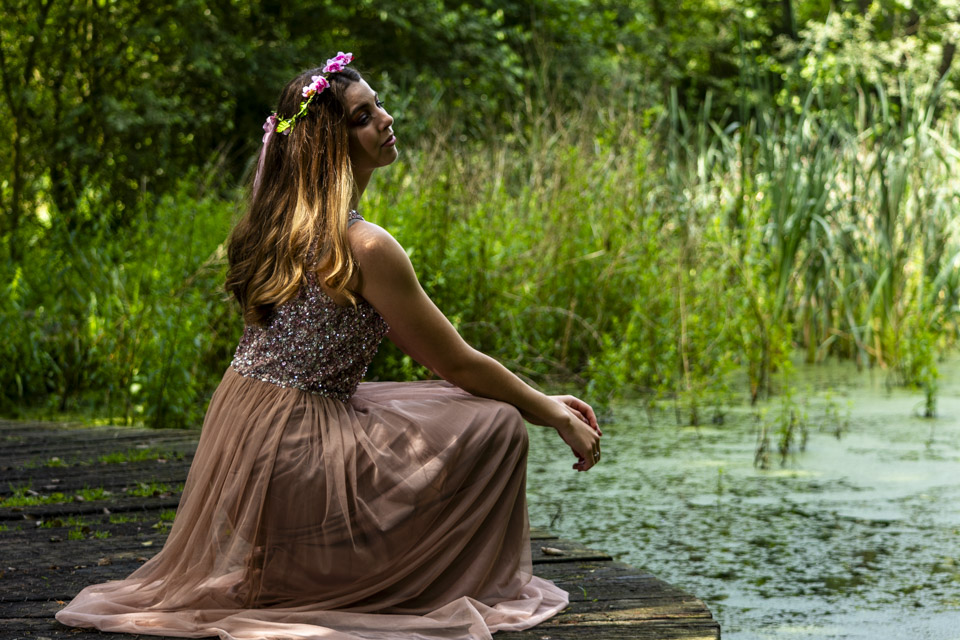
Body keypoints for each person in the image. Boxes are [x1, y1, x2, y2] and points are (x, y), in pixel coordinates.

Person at [55, 52, 602, 640]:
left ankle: (319, 566)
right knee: (496, 425)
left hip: (245, 434)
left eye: (377, 105)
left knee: (435, 406)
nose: (386, 119)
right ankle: (416, 581)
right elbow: (456, 361)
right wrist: (548, 409)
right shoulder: (366, 247)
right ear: (329, 145)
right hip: (296, 451)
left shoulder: (274, 227)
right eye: (364, 117)